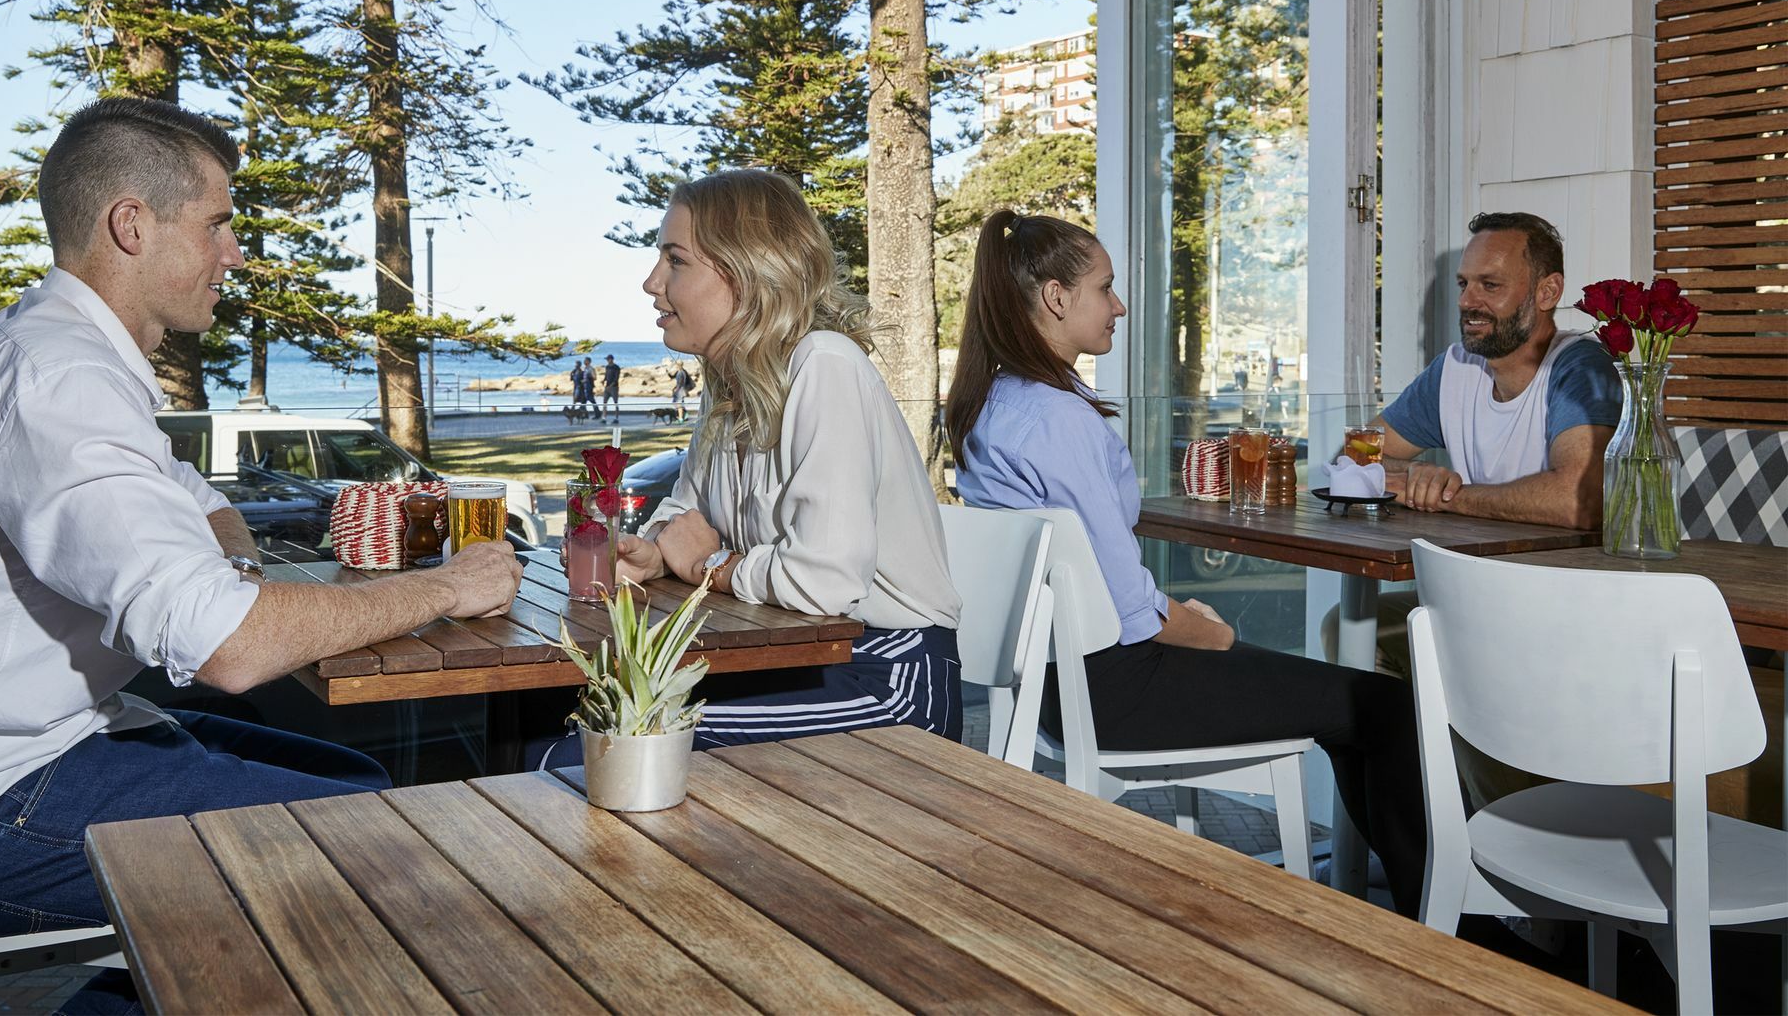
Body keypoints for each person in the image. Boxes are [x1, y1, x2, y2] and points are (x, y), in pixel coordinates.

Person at [0, 97, 522, 1007]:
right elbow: (228, 648)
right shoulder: (55, 380)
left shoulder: (65, 360)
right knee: (372, 849)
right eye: (217, 223)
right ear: (130, 224)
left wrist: (227, 574)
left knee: (357, 780)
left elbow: (205, 509)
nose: (233, 252)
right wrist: (445, 587)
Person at [948, 210, 1424, 917]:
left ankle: (1386, 900)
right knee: (1379, 704)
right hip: (1121, 686)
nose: (1119, 304)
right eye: (1105, 288)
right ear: (1055, 297)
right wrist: (1213, 633)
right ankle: (1449, 927)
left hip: (1053, 684)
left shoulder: (991, 407)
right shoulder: (1061, 419)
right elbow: (1129, 608)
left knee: (1350, 710)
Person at [531, 169, 962, 767]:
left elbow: (825, 582)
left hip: (889, 677)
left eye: (675, 261)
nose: (651, 282)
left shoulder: (824, 366)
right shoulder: (728, 381)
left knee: (586, 751)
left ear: (744, 272)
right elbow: (685, 514)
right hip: (801, 660)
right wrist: (657, 552)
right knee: (544, 719)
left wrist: (709, 565)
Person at [1320, 212, 1622, 676]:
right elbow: (1353, 456)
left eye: (1490, 285)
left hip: (1570, 605)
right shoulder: (1456, 369)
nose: (1467, 301)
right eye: (1463, 284)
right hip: (1484, 591)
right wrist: (1406, 479)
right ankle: (1417, 751)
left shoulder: (1579, 367)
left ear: (1548, 292)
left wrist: (1447, 495)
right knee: (1351, 626)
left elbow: (1578, 501)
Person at [601, 352, 621, 420]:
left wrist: (611, 385)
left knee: (615, 403)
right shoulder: (607, 367)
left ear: (611, 359)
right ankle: (604, 417)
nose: (607, 361)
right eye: (607, 359)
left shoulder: (616, 367)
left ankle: (616, 418)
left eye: (608, 359)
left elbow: (616, 378)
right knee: (604, 403)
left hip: (614, 387)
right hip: (607, 386)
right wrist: (604, 380)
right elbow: (606, 375)